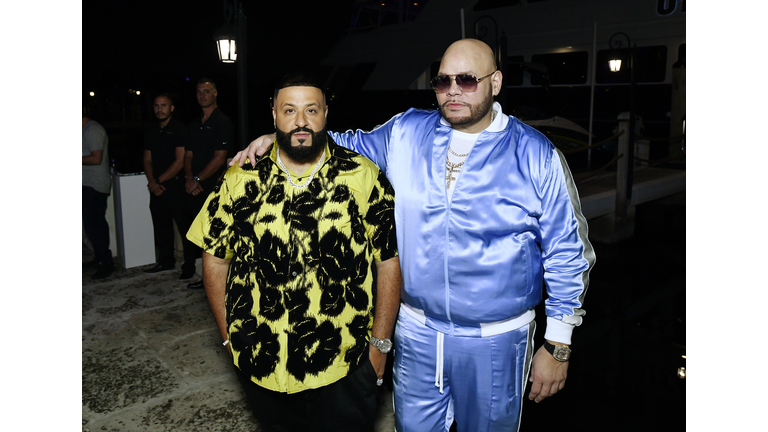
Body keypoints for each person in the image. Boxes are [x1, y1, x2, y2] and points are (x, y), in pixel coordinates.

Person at [232, 39, 596, 432]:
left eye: (468, 80)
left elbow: (567, 250)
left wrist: (558, 344)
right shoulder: (406, 131)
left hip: (497, 341)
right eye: (443, 81)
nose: (453, 90)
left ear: (496, 82)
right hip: (417, 334)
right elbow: (346, 146)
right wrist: (289, 137)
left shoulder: (536, 153)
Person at [186, 72, 402, 432]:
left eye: (311, 110)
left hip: (343, 365)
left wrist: (379, 347)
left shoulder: (362, 176)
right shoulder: (241, 178)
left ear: (325, 113)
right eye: (289, 110)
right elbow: (216, 258)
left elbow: (388, 262)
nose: (301, 121)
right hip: (262, 363)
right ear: (274, 115)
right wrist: (228, 338)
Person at [183, 78, 234, 289]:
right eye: (198, 92)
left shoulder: (222, 122)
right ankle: (207, 279)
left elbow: (220, 158)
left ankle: (217, 282)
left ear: (215, 94)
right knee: (200, 236)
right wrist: (188, 179)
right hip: (194, 188)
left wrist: (196, 179)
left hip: (214, 188)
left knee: (214, 238)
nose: (202, 95)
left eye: (206, 91)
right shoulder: (195, 124)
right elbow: (188, 155)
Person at [142, 93, 197, 279]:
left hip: (175, 186)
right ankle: (165, 261)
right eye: (156, 106)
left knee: (184, 228)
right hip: (156, 187)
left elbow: (180, 161)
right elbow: (147, 159)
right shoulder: (151, 131)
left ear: (171, 108)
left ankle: (189, 267)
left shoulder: (180, 129)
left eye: (163, 105)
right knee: (161, 225)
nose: (159, 109)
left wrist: (158, 181)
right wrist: (152, 182)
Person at [83, 116, 115, 280]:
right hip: (86, 185)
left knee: (96, 225)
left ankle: (106, 262)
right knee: (90, 226)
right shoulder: (84, 130)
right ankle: (99, 258)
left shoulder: (93, 130)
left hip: (95, 185)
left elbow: (96, 158)